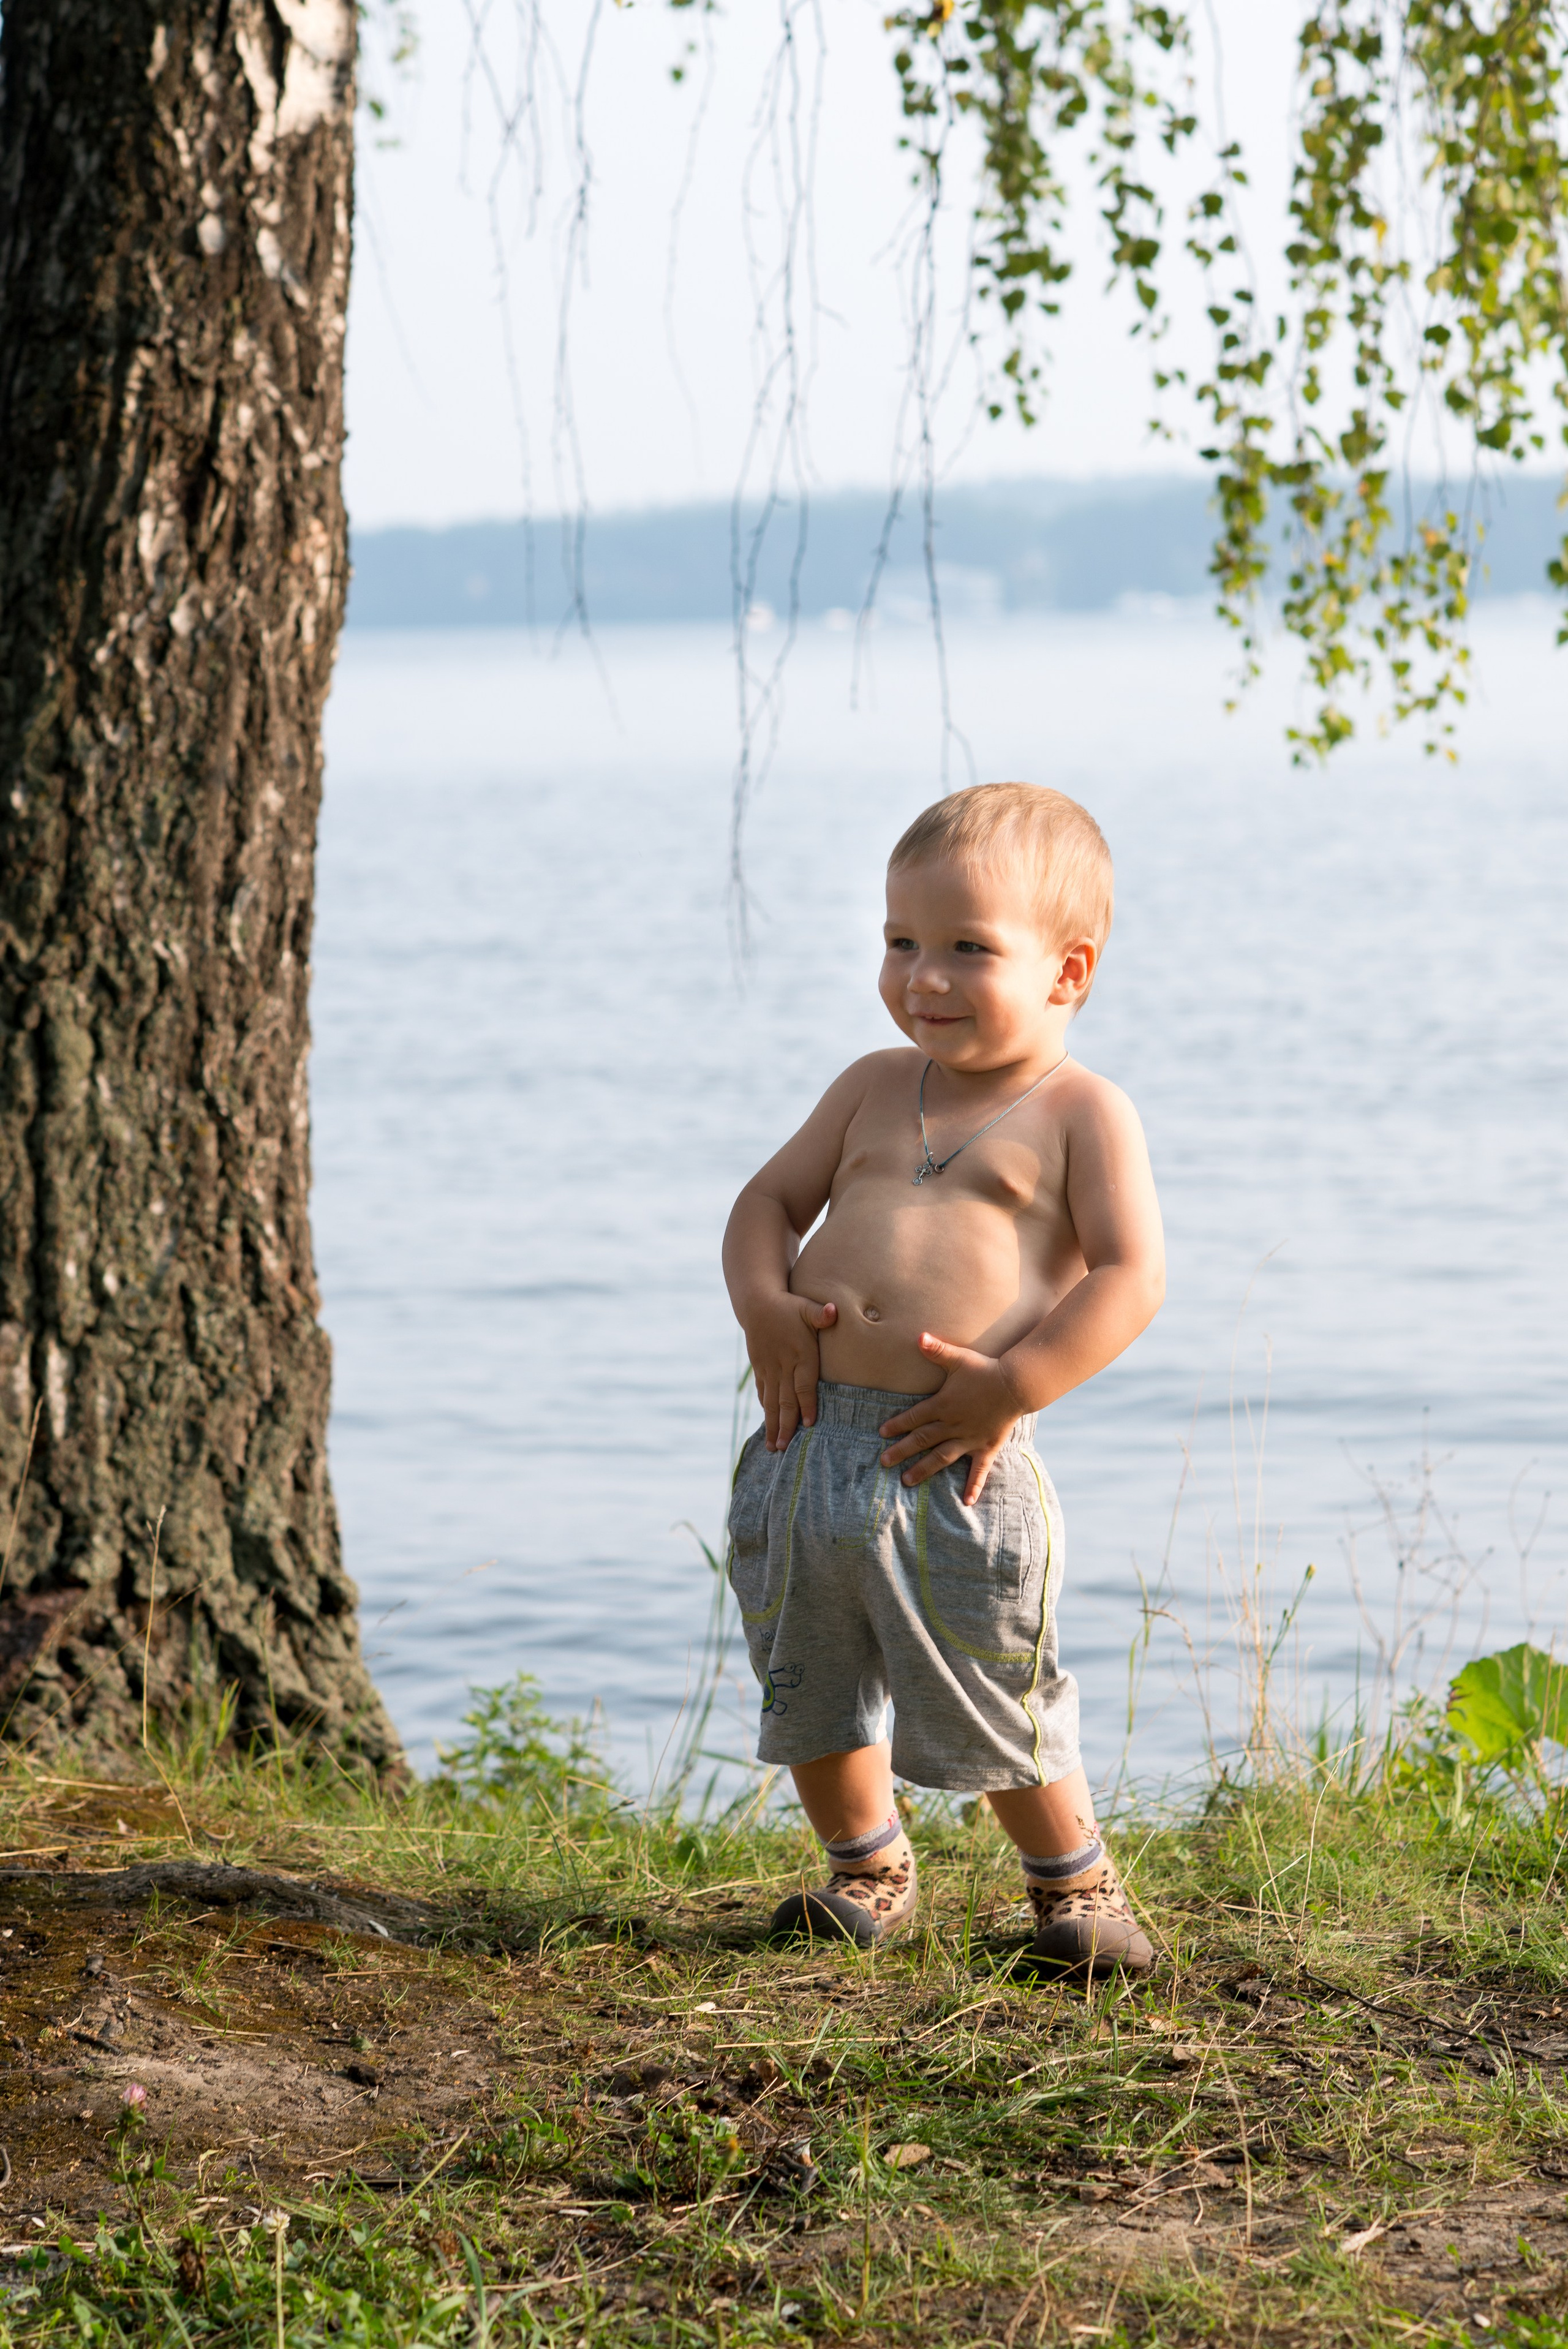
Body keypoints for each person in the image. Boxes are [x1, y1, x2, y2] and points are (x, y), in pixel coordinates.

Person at [721, 781, 1166, 1974]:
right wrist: (763, 1304)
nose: (922, 976)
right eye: (899, 941)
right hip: (806, 1437)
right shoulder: (872, 1084)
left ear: (1068, 972)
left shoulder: (1080, 1112)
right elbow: (766, 1202)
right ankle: (866, 1866)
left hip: (954, 1449)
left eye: (967, 948)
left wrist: (1013, 1384)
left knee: (992, 1673)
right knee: (805, 1668)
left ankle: (1074, 1890)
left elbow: (1130, 1277)